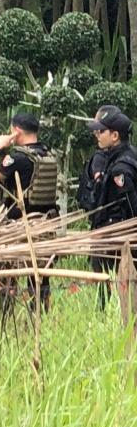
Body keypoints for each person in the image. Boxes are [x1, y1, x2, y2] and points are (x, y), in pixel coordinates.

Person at [0, 112, 58, 309]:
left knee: (6, 273)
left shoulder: (18, 158)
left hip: (19, 226)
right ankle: (40, 312)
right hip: (44, 224)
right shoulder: (47, 154)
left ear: (16, 131)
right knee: (39, 277)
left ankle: (3, 309)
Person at [81, 107, 137, 306]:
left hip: (117, 235)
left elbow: (132, 207)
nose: (97, 134)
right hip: (112, 233)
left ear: (115, 136)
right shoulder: (121, 155)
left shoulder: (120, 169)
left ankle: (105, 315)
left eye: (101, 131)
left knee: (107, 288)